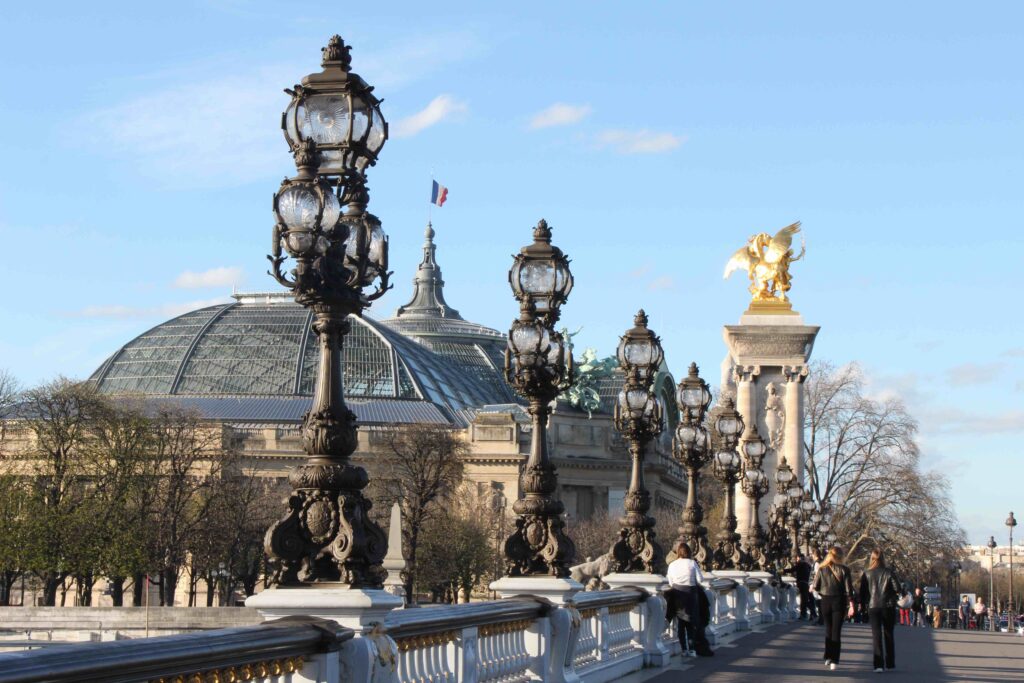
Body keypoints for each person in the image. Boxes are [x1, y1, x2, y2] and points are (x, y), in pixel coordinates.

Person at [665, 541, 713, 657]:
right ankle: (692, 649)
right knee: (691, 623)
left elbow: (670, 582)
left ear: (678, 553)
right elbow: (700, 580)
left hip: (677, 595)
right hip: (691, 595)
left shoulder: (672, 564)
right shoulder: (692, 563)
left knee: (681, 623)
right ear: (689, 552)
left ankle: (684, 649)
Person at [812, 546, 855, 671]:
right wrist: (851, 604)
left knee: (828, 630)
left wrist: (823, 595)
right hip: (839, 602)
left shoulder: (822, 569)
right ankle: (834, 660)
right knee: (836, 632)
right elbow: (849, 590)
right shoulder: (845, 570)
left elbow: (816, 586)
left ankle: (827, 656)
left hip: (825, 601)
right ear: (840, 556)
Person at [858, 548, 901, 672]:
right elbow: (897, 588)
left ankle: (878, 665)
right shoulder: (889, 572)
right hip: (887, 606)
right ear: (883, 559)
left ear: (872, 559)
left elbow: (863, 593)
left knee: (876, 636)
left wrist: (862, 605)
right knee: (888, 634)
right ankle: (890, 663)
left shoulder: (867, 573)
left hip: (873, 606)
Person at [788, 553, 813, 620]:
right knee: (805, 599)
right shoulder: (808, 565)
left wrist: (783, 571)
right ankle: (811, 613)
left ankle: (805, 614)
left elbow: (792, 569)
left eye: (797, 558)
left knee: (803, 600)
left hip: (801, 583)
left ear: (799, 558)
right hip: (806, 583)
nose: (797, 560)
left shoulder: (800, 564)